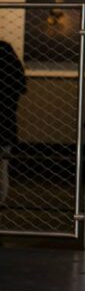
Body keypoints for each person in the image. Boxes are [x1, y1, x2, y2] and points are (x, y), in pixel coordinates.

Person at [0, 40, 27, 206]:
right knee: (2, 167)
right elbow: (21, 86)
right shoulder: (13, 84)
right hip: (5, 125)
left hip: (5, 124)